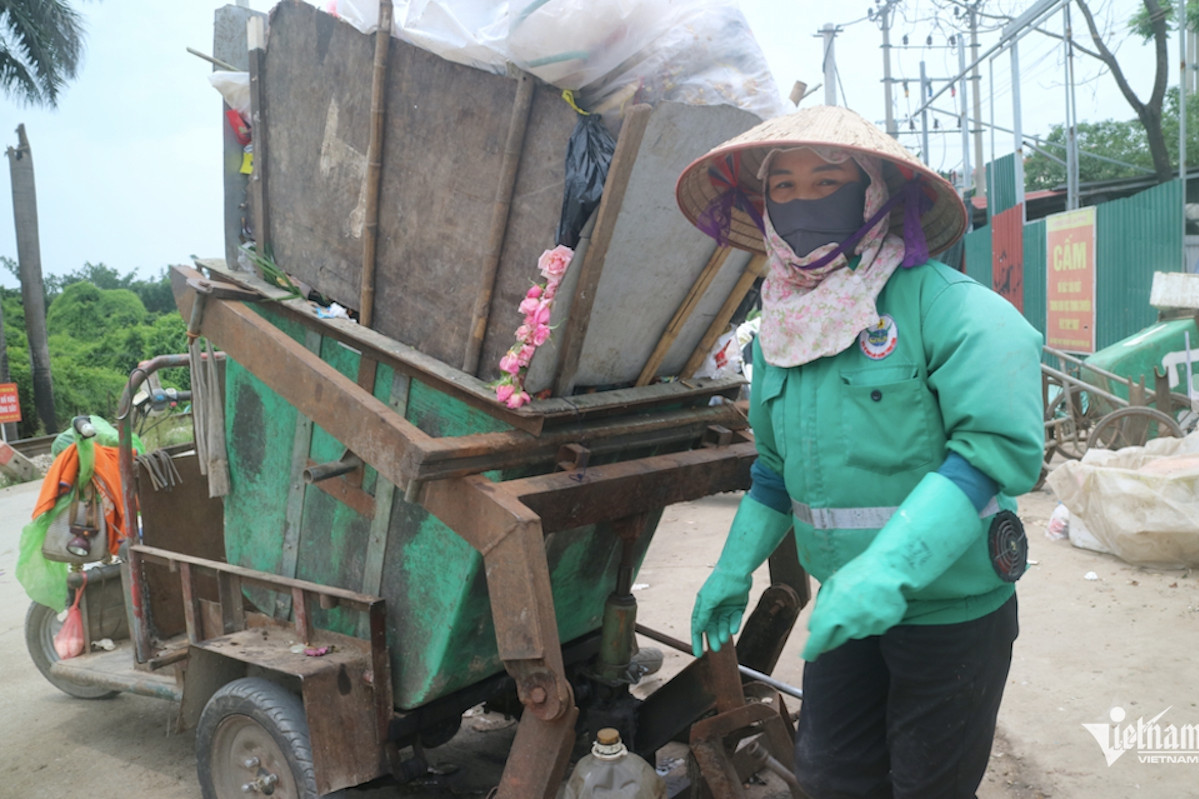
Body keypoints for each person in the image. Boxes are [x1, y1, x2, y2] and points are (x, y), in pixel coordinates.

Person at [674, 105, 1044, 798]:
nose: (801, 199)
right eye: (781, 186)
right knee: (831, 778)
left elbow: (989, 451)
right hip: (844, 613)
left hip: (948, 612)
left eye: (826, 180)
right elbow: (773, 474)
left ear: (876, 192)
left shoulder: (953, 310)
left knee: (926, 786)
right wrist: (730, 569)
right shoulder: (782, 331)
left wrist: (889, 570)